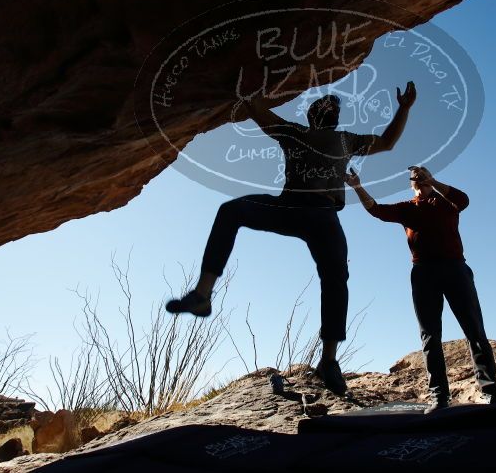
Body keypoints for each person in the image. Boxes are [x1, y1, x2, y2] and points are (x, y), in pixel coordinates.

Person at [166, 83, 418, 395]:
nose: (331, 111)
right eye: (325, 107)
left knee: (336, 274)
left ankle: (329, 360)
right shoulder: (291, 131)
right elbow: (257, 109)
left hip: (324, 215)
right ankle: (202, 295)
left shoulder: (347, 139)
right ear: (313, 115)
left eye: (335, 109)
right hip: (289, 207)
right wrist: (246, 87)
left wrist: (404, 109)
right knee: (231, 210)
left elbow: (388, 142)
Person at [345, 165, 496, 412]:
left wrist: (433, 181)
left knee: (474, 330)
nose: (419, 180)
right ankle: (439, 397)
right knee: (430, 335)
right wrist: (357, 187)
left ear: (431, 179)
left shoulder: (448, 203)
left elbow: (464, 199)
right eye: (416, 178)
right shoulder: (407, 208)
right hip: (423, 273)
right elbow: (376, 210)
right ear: (411, 184)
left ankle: (491, 392)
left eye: (424, 177)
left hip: (456, 269)